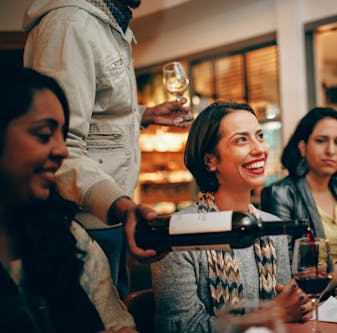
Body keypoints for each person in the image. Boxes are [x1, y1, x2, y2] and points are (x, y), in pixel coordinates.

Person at [23, 0, 190, 296]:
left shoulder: (111, 23)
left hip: (110, 220)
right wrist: (122, 207)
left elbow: (96, 112)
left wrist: (142, 115)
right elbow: (59, 145)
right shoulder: (70, 25)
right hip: (82, 224)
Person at [151, 102, 313, 333]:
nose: (260, 149)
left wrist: (299, 307)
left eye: (259, 136)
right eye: (241, 140)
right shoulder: (178, 234)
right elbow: (180, 329)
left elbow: (286, 306)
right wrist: (269, 314)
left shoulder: (272, 227)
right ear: (211, 160)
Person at [0, 67, 136, 333]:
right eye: (43, 135)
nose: (62, 151)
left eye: (62, 136)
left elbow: (117, 323)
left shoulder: (69, 236)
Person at [261, 107, 337, 286]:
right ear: (303, 147)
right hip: (310, 299)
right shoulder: (281, 193)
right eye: (321, 141)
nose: (331, 151)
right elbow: (284, 264)